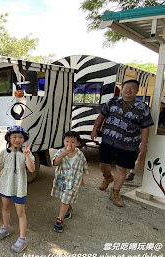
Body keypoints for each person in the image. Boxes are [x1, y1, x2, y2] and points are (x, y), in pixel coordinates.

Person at [91, 79, 154, 207]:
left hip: (129, 144)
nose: (128, 90)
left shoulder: (142, 108)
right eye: (126, 87)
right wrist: (94, 129)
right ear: (122, 89)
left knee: (121, 168)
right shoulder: (113, 101)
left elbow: (145, 127)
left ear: (137, 91)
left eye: (132, 88)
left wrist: (144, 144)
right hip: (109, 140)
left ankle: (115, 193)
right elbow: (101, 116)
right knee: (103, 164)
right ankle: (108, 177)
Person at [0, 125, 35, 253]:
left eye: (20, 137)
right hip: (5, 185)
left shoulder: (26, 153)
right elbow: (0, 167)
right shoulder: (3, 153)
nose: (17, 139)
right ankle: (6, 227)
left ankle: (22, 239)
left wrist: (27, 156)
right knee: (5, 207)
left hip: (19, 187)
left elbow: (32, 169)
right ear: (9, 138)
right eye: (14, 137)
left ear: (24, 139)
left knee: (20, 213)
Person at [51, 131, 88, 233]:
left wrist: (82, 179)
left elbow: (82, 167)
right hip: (62, 181)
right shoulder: (60, 152)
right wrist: (63, 154)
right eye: (67, 141)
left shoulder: (80, 155)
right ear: (63, 141)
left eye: (72, 142)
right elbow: (55, 162)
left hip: (74, 181)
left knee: (65, 200)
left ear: (78, 143)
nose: (69, 144)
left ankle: (59, 220)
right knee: (63, 198)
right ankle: (67, 208)